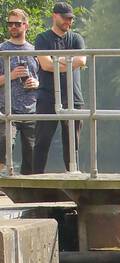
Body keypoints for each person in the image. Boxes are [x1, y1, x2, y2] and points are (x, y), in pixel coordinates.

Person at [32, 2, 86, 174]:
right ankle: (36, 180)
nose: (68, 22)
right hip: (47, 97)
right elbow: (46, 65)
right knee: (42, 141)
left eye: (71, 19)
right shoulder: (42, 38)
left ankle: (74, 177)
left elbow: (81, 61)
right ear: (54, 15)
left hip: (73, 96)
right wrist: (69, 61)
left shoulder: (76, 38)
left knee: (73, 144)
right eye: (65, 18)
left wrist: (57, 61)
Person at [0, 9, 39, 175]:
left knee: (32, 154)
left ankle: (29, 188)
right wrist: (10, 75)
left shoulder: (35, 50)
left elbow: (45, 77)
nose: (13, 27)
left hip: (31, 110)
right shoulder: (2, 49)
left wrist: (37, 83)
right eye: (10, 24)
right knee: (4, 146)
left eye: (17, 23)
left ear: (26, 25)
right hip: (6, 109)